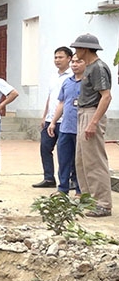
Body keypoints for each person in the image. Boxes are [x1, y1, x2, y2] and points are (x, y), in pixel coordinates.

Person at [71, 33, 112, 217]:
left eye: (77, 48)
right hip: (83, 113)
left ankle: (103, 203)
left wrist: (93, 122)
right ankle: (90, 200)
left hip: (91, 113)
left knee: (94, 160)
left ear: (85, 49)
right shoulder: (88, 68)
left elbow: (106, 96)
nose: (75, 51)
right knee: (82, 160)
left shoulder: (98, 68)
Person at [33, 47, 73, 188]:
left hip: (65, 121)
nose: (57, 60)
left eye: (60, 57)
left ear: (69, 58)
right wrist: (45, 116)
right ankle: (49, 178)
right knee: (45, 148)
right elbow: (51, 97)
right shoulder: (53, 76)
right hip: (50, 119)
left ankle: (71, 180)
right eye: (55, 57)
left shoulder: (73, 76)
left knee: (66, 152)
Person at [47, 54, 84, 196]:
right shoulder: (67, 82)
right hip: (65, 127)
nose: (74, 64)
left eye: (78, 61)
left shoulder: (88, 83)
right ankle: (62, 189)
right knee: (63, 160)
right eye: (73, 62)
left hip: (80, 128)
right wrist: (53, 122)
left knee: (79, 162)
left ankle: (80, 191)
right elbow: (61, 103)